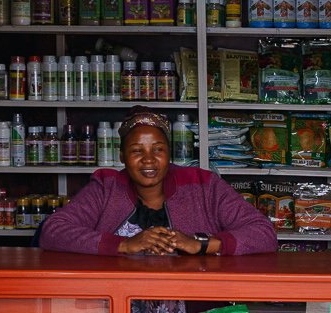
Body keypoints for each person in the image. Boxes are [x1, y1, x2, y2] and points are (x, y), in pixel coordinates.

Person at [37, 108, 277, 255]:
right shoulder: (106, 187)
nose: (149, 160)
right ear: (122, 157)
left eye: (158, 149)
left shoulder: (203, 185)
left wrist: (200, 244)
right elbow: (53, 232)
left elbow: (264, 233)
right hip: (119, 304)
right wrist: (124, 245)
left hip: (194, 309)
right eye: (137, 151)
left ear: (169, 154)